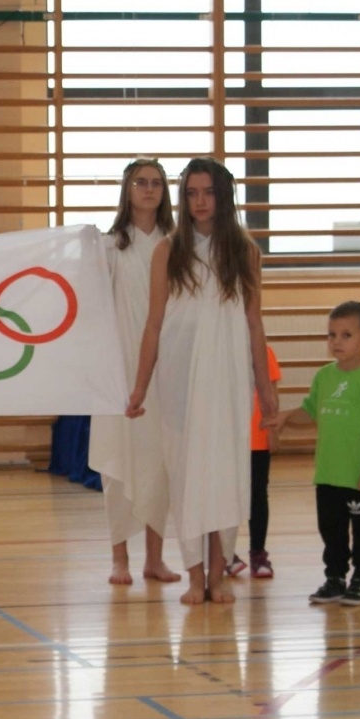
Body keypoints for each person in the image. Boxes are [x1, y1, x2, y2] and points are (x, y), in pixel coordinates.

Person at [127, 157, 276, 606]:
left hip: (229, 376)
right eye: (191, 194)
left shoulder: (245, 252)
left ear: (223, 196)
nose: (199, 202)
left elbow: (253, 322)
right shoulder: (167, 250)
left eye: (208, 193)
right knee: (188, 474)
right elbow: (153, 324)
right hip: (178, 375)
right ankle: (195, 575)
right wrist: (139, 386)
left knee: (227, 474)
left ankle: (219, 572)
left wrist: (266, 389)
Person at [87, 158, 180, 586]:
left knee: (158, 464)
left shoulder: (177, 245)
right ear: (127, 190)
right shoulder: (109, 246)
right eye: (140, 182)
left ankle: (154, 559)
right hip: (117, 368)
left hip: (164, 367)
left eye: (156, 183)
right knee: (117, 463)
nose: (148, 189)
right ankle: (119, 558)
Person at [267, 301, 360, 607]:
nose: (337, 341)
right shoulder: (324, 377)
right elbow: (310, 413)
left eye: (346, 335)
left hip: (357, 477)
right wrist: (286, 417)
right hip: (327, 475)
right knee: (332, 533)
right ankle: (335, 578)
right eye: (332, 335)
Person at [244, 343, 282, 578]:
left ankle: (258, 552)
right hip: (227, 440)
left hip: (257, 437)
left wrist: (273, 432)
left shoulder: (264, 352)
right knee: (225, 496)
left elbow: (273, 393)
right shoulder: (219, 347)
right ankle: (223, 554)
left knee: (258, 495)